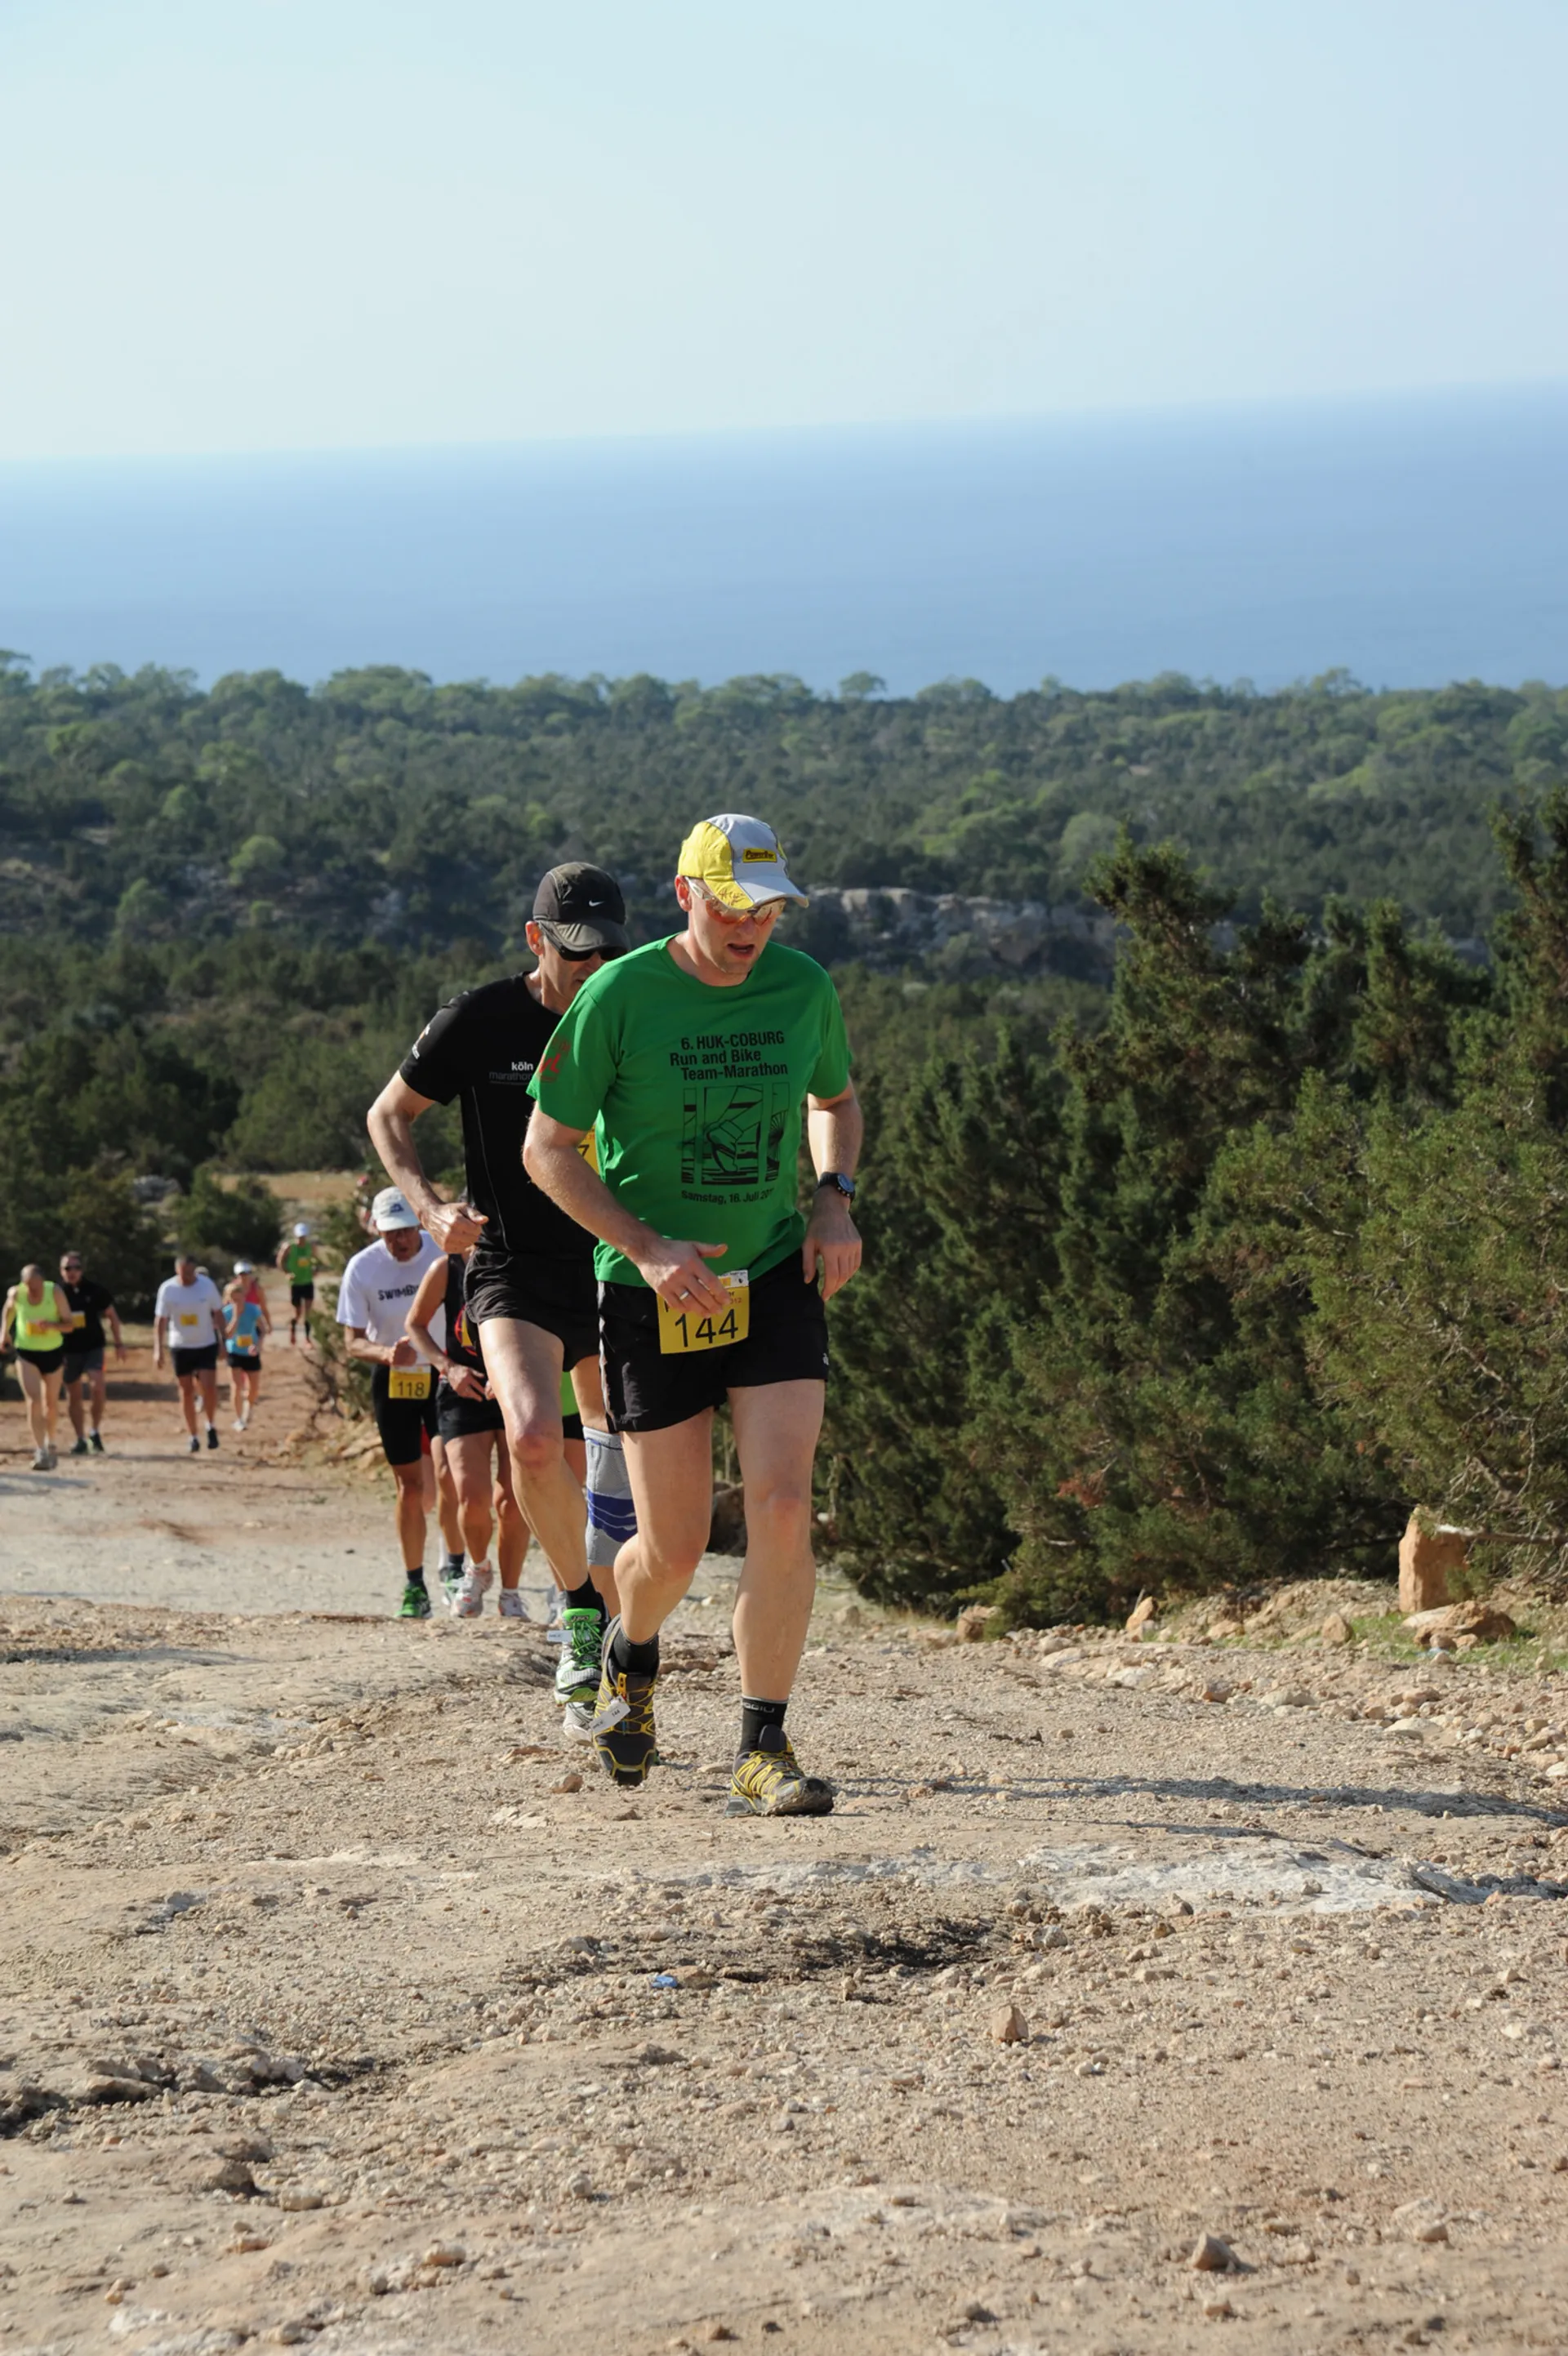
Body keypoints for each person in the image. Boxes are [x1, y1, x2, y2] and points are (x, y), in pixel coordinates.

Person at [524, 812, 862, 1815]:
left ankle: (763, 1741)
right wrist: (647, 1247)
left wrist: (834, 1193)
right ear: (686, 894)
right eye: (733, 903)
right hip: (649, 1294)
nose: (754, 923)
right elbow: (549, 1148)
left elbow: (833, 1097)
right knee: (670, 1549)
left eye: (769, 906)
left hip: (768, 1276)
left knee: (783, 1504)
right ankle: (632, 1652)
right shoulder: (622, 996)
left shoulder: (803, 988)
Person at [367, 862, 633, 1726]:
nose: (595, 968)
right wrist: (430, 1205)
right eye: (577, 952)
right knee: (527, 1443)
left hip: (615, 1257)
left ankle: (627, 1644)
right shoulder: (480, 1019)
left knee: (616, 1456)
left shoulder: (632, 1007)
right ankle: (582, 1608)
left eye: (608, 951)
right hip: (511, 1264)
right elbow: (388, 1115)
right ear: (536, 940)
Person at [406, 1248, 560, 1619]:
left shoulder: (519, 1259)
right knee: (471, 1499)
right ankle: (477, 1568)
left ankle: (510, 1593)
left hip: (512, 1387)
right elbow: (415, 1325)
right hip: (462, 1390)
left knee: (511, 1503)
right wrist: (447, 1367)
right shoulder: (447, 1267)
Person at [335, 1187, 447, 1617]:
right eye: (388, 1234)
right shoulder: (362, 1268)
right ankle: (415, 1585)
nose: (398, 1241)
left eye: (404, 1231)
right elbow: (351, 1342)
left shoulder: (442, 1253)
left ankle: (454, 1566)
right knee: (409, 1486)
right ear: (377, 1231)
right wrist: (385, 1354)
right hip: (395, 1377)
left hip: (443, 1371)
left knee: (450, 1470)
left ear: (418, 1223)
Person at [153, 1251, 227, 1454]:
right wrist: (158, 1349)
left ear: (195, 1270)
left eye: (190, 1272)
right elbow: (161, 1320)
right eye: (182, 1272)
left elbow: (218, 1313)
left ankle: (210, 1426)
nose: (186, 1276)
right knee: (186, 1391)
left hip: (205, 1343)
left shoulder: (207, 1286)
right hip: (180, 1345)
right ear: (177, 1270)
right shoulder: (168, 1289)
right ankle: (192, 1436)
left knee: (209, 1387)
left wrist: (224, 1340)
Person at [57, 1249, 126, 1455]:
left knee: (97, 1386)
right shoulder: (56, 1293)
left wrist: (119, 1343)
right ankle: (80, 1438)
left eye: (76, 1268)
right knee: (74, 1395)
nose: (72, 1272)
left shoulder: (94, 1290)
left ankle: (95, 1430)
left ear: (82, 1269)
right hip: (68, 1350)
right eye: (68, 1268)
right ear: (61, 1271)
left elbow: (112, 1316)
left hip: (93, 1347)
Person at [2, 1263, 71, 1470]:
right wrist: (3, 1333)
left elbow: (69, 1324)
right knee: (33, 1400)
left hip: (52, 1352)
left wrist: (51, 1325)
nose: (32, 1291)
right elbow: (8, 1310)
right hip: (26, 1352)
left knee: (50, 1403)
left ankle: (51, 1442)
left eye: (35, 1286)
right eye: (28, 1286)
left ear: (43, 1281)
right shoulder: (17, 1293)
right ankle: (40, 1450)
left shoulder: (55, 1292)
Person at [223, 1259, 271, 1431]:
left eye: (239, 1299)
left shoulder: (252, 1309)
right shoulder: (227, 1313)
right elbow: (227, 1334)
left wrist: (258, 1345)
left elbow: (262, 1329)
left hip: (251, 1351)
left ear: (245, 1296)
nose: (237, 1303)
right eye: (233, 1300)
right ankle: (238, 1419)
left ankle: (248, 1410)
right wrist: (235, 1317)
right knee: (236, 1386)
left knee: (253, 1389)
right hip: (234, 1351)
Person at [279, 1223, 317, 1346]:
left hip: (308, 1282)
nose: (302, 1239)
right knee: (298, 1312)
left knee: (308, 1312)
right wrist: (287, 1273)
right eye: (300, 1237)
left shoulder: (310, 1247)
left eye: (304, 1237)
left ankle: (307, 1338)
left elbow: (315, 1259)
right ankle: (293, 1330)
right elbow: (280, 1260)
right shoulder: (289, 1247)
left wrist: (315, 1268)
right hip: (296, 1284)